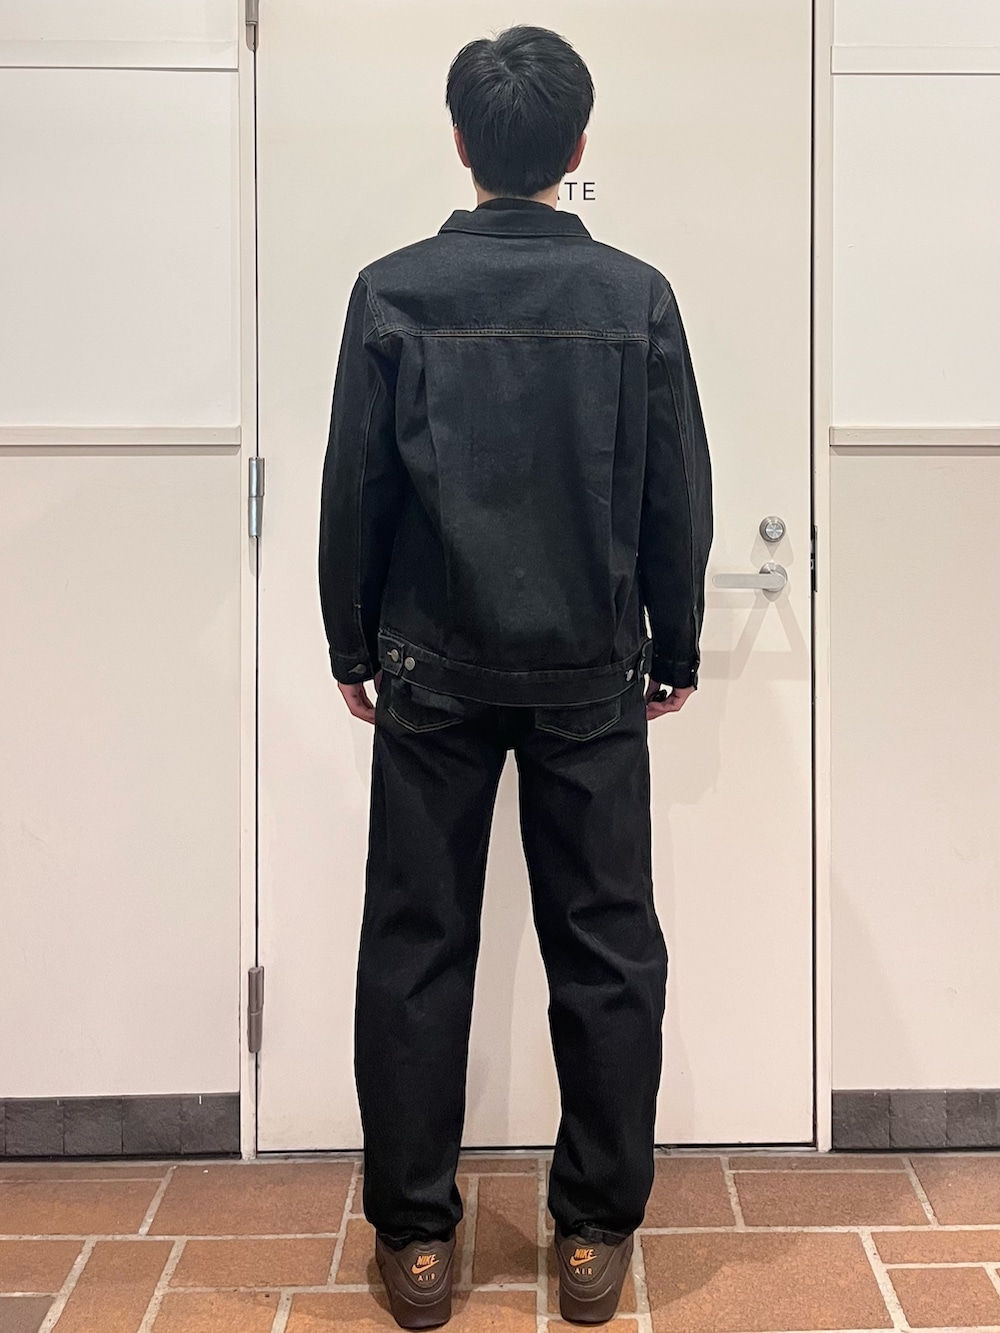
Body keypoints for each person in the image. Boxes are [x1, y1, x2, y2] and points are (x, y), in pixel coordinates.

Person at [318, 24, 712, 1329]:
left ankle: (417, 1239)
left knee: (415, 946)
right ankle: (594, 1231)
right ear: (577, 145)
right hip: (591, 676)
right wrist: (677, 642)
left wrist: (351, 642)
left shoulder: (394, 292)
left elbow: (355, 487)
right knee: (606, 950)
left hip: (430, 670)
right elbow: (675, 490)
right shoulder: (634, 297)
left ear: (461, 142)